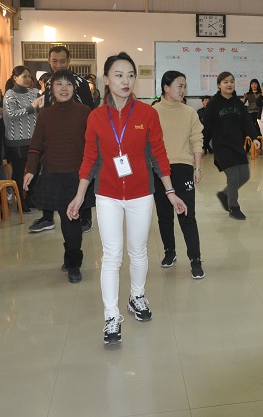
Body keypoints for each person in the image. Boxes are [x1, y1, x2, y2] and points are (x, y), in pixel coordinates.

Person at [67, 52, 187, 345]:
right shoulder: (96, 117)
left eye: (131, 75)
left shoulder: (147, 114)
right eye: (119, 75)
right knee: (112, 255)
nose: (126, 81)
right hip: (107, 195)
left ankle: (137, 296)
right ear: (106, 79)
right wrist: (79, 196)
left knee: (138, 251)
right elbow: (90, 158)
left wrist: (170, 192)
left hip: (140, 194)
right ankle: (111, 315)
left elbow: (158, 155)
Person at [23, 70, 92, 283]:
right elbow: (36, 146)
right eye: (59, 84)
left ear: (74, 88)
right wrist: (30, 169)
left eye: (68, 84)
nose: (64, 88)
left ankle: (73, 261)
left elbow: (94, 145)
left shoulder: (85, 112)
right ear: (51, 88)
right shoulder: (45, 115)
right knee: (66, 219)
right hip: (54, 174)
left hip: (79, 177)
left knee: (73, 220)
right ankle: (72, 256)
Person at [31, 46, 97, 234]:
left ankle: (85, 218)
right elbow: (48, 109)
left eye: (62, 61)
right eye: (54, 61)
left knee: (80, 179)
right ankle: (48, 218)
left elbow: (90, 113)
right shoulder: (49, 83)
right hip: (54, 141)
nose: (58, 64)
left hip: (77, 142)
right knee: (51, 180)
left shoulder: (79, 82)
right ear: (49, 61)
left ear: (68, 61)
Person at [152, 70, 205, 279]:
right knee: (164, 215)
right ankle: (169, 252)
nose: (183, 90)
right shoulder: (153, 112)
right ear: (166, 87)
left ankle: (195, 259)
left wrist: (197, 168)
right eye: (179, 86)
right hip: (159, 170)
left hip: (183, 168)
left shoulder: (189, 112)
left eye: (184, 86)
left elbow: (197, 140)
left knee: (187, 215)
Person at [202, 71, 262, 220]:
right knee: (233, 176)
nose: (229, 84)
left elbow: (247, 121)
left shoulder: (238, 103)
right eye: (225, 82)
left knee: (245, 175)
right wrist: (203, 145)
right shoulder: (213, 104)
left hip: (237, 145)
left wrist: (254, 137)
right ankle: (233, 207)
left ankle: (224, 195)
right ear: (219, 85)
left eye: (232, 81)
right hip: (222, 147)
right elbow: (206, 127)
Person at [3, 66, 41, 213]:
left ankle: (32, 199)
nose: (27, 79)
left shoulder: (33, 92)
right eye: (24, 76)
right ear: (15, 78)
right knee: (19, 172)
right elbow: (11, 114)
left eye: (29, 76)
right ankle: (20, 201)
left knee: (35, 169)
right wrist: (32, 107)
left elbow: (39, 110)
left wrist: (39, 107)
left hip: (34, 138)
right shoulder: (10, 94)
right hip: (17, 140)